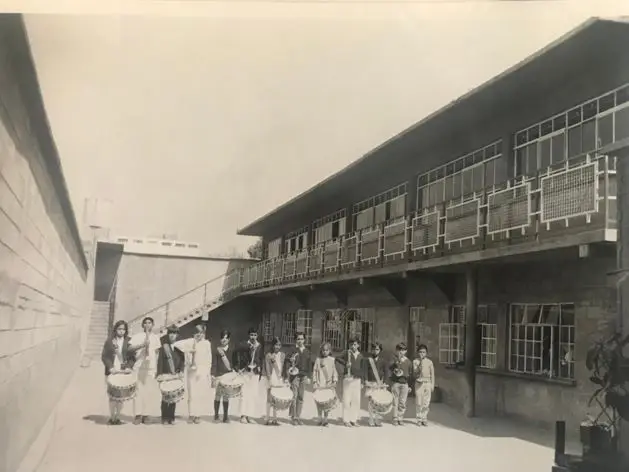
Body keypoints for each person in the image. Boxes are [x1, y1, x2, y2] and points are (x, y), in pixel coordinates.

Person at [173, 324, 212, 424]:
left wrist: (207, 372)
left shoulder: (207, 343)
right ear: (193, 333)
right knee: (191, 393)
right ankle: (191, 414)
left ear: (203, 333)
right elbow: (175, 344)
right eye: (196, 332)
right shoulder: (190, 341)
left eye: (200, 332)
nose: (198, 335)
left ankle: (197, 415)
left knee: (199, 394)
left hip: (202, 371)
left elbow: (209, 359)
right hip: (191, 371)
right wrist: (187, 351)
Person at [101, 320, 135, 425]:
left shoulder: (129, 341)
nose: (121, 331)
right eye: (119, 329)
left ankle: (118, 416)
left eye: (123, 329)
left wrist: (129, 367)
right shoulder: (110, 341)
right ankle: (112, 417)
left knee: (121, 397)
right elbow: (104, 356)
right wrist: (110, 367)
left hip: (123, 371)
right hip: (112, 371)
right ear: (115, 329)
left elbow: (132, 357)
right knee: (112, 396)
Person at [129, 317, 162, 425]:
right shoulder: (137, 336)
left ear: (153, 325)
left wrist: (156, 368)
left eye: (150, 323)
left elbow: (156, 354)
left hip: (150, 367)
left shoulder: (156, 337)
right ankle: (137, 415)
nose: (147, 325)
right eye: (145, 323)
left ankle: (146, 415)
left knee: (148, 392)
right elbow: (129, 349)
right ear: (142, 325)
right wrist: (142, 345)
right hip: (139, 366)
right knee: (138, 391)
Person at [156, 325, 185, 424]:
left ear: (177, 335)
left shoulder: (179, 348)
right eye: (170, 333)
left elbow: (182, 361)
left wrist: (181, 371)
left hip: (175, 375)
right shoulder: (163, 348)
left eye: (174, 333)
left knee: (173, 397)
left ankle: (171, 417)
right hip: (165, 375)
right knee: (165, 397)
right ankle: (164, 417)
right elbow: (160, 362)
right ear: (168, 335)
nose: (172, 335)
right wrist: (159, 374)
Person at [234, 327, 264, 424]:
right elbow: (235, 353)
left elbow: (260, 358)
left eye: (255, 335)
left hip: (254, 372)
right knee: (244, 393)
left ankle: (249, 415)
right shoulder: (244, 344)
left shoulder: (259, 346)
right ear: (248, 335)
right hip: (245, 372)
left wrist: (259, 368)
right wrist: (238, 367)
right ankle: (243, 415)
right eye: (251, 334)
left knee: (253, 394)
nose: (253, 337)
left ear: (257, 335)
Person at [335, 338, 365, 427]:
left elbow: (362, 369)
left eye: (355, 344)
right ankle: (346, 420)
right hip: (348, 379)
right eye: (351, 344)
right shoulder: (346, 352)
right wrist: (345, 363)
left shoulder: (361, 356)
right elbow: (337, 358)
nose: (353, 346)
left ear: (358, 345)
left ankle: (354, 419)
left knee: (356, 400)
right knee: (346, 400)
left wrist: (362, 381)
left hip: (357, 379)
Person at [285, 331, 311, 425]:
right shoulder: (292, 350)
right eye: (298, 339)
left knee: (301, 397)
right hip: (294, 376)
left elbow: (309, 364)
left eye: (302, 339)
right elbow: (287, 362)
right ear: (295, 340)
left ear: (304, 339)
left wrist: (309, 376)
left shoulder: (307, 351)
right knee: (294, 396)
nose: (300, 340)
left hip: (303, 376)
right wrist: (287, 375)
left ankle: (298, 416)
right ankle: (293, 416)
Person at [211, 330, 235, 423]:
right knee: (217, 395)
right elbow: (214, 363)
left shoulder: (231, 349)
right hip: (219, 375)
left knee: (226, 396)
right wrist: (213, 374)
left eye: (226, 338)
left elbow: (233, 362)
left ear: (229, 339)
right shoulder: (217, 350)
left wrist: (234, 369)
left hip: (228, 375)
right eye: (222, 337)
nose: (224, 340)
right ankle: (216, 416)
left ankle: (225, 416)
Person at [312, 342, 338, 427]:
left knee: (327, 402)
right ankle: (319, 418)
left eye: (326, 350)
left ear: (329, 351)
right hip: (320, 384)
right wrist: (315, 382)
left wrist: (335, 381)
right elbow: (315, 372)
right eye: (323, 350)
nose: (324, 352)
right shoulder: (318, 360)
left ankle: (326, 419)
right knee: (319, 402)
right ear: (321, 351)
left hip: (328, 384)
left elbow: (334, 371)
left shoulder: (332, 360)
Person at [262, 337, 286, 426]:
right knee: (269, 398)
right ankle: (267, 417)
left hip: (278, 378)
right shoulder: (268, 355)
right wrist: (269, 379)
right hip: (271, 377)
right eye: (276, 344)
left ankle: (275, 418)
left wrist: (283, 378)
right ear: (272, 345)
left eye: (279, 345)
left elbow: (283, 367)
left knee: (276, 398)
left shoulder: (282, 355)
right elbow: (267, 368)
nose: (277, 346)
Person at [363, 342, 388, 427]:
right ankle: (371, 418)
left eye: (377, 349)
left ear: (380, 350)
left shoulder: (383, 361)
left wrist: (385, 382)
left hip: (379, 383)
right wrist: (366, 380)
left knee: (378, 402)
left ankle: (377, 419)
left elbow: (386, 372)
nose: (375, 351)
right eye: (373, 349)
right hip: (370, 383)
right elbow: (365, 371)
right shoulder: (368, 360)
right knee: (371, 401)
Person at [389, 342, 412, 426]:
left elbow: (410, 374)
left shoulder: (408, 362)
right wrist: (396, 362)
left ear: (405, 351)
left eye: (403, 350)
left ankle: (400, 418)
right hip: (396, 383)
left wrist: (409, 385)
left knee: (402, 402)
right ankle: (395, 418)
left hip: (405, 384)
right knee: (395, 401)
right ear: (397, 351)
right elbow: (390, 368)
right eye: (399, 350)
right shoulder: (394, 360)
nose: (401, 352)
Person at [412, 344, 435, 426]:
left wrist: (432, 384)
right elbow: (415, 373)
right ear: (418, 353)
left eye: (424, 352)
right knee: (419, 401)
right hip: (419, 383)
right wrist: (419, 364)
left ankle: (424, 418)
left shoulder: (430, 362)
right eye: (420, 352)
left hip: (427, 382)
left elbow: (432, 374)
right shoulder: (415, 361)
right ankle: (418, 418)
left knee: (426, 402)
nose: (422, 353)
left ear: (426, 353)